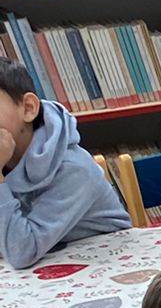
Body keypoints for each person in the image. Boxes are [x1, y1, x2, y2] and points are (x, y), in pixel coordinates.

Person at [0, 60, 129, 267]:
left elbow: (22, 252)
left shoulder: (73, 168)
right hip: (44, 268)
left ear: (28, 108)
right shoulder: (5, 160)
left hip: (107, 265)